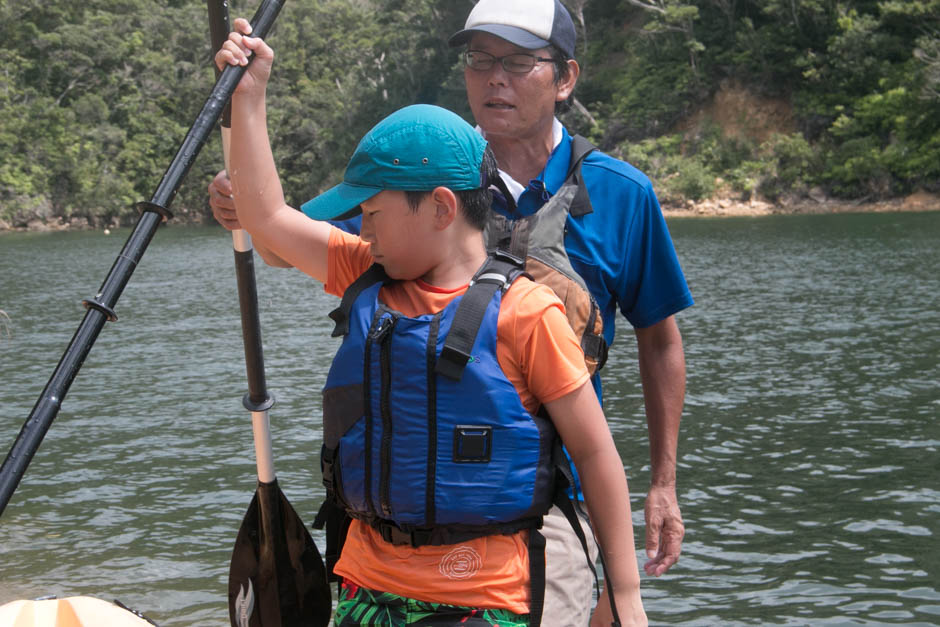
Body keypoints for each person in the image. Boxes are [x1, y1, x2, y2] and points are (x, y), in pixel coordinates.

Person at [209, 0, 692, 621]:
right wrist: (246, 117)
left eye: (517, 62)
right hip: (385, 552)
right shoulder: (415, 175)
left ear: (565, 77)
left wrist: (658, 495)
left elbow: (660, 341)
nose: (495, 78)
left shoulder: (617, 201)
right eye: (480, 60)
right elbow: (278, 231)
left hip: (542, 517)